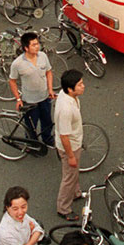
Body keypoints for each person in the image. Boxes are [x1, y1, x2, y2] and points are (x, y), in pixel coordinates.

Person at [8, 32, 54, 148]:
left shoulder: (43, 56)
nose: (37, 47)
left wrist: (50, 89)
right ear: (26, 48)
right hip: (29, 100)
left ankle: (47, 138)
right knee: (31, 125)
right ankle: (32, 143)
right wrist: (18, 99)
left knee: (47, 121)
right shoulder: (17, 64)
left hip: (44, 97)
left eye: (37, 43)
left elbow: (49, 72)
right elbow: (12, 81)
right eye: (33, 45)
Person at [54, 69, 85, 221]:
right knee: (69, 176)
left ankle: (75, 192)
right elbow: (64, 136)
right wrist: (71, 156)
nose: (83, 86)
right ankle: (64, 208)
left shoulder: (65, 95)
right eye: (79, 85)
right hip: (70, 147)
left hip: (73, 142)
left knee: (72, 173)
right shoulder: (66, 109)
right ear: (70, 89)